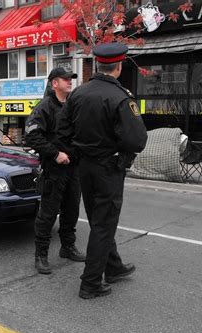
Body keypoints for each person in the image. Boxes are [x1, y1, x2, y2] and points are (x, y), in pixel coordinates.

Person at [57, 43, 148, 299]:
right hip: (108, 166)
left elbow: (62, 131)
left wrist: (77, 152)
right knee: (104, 224)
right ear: (118, 67)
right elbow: (137, 140)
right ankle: (91, 283)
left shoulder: (78, 94)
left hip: (85, 166)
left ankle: (114, 267)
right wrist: (120, 154)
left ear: (97, 64)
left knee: (99, 220)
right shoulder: (120, 97)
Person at [25, 67, 86, 275]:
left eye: (71, 79)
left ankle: (67, 247)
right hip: (54, 169)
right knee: (48, 213)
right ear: (54, 83)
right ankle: (40, 255)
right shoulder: (45, 107)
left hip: (74, 168)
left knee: (71, 210)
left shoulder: (72, 105)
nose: (70, 82)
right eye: (65, 79)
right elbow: (32, 136)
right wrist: (55, 153)